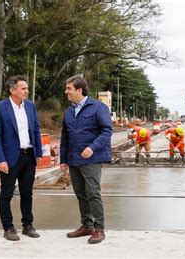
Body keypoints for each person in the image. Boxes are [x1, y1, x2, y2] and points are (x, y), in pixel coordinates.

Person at [60, 75, 112, 244]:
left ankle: (99, 229)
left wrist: (92, 147)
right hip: (74, 160)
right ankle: (86, 226)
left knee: (93, 193)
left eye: (69, 88)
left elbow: (106, 131)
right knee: (81, 194)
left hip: (92, 159)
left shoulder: (98, 107)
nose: (66, 91)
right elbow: (65, 137)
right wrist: (63, 159)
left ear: (79, 90)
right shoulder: (69, 111)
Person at [0, 75, 43, 241]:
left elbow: (35, 130)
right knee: (6, 193)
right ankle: (8, 228)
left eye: (27, 88)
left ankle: (28, 225)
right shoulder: (0, 108)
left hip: (29, 156)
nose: (26, 91)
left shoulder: (31, 107)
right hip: (10, 157)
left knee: (27, 193)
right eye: (23, 88)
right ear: (12, 90)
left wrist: (39, 152)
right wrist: (1, 160)